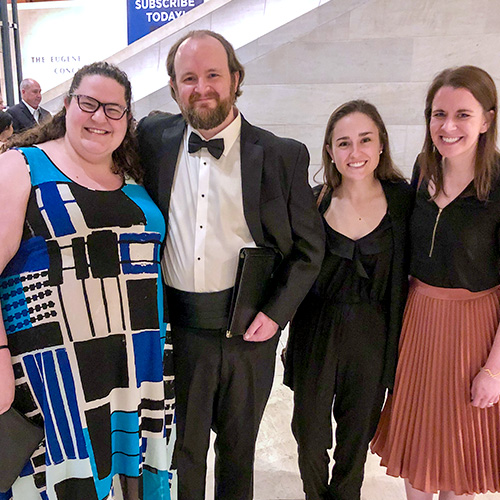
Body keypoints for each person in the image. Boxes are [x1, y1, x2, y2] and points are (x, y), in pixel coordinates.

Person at [137, 29, 324, 500]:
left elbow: (309, 250)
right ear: (174, 87)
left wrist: (276, 314)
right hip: (177, 332)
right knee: (182, 453)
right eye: (188, 78)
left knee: (238, 453)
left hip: (250, 331)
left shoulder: (282, 155)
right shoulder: (152, 140)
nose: (202, 87)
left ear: (236, 79)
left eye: (214, 75)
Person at [0, 61, 174, 500]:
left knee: (128, 479)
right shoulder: (22, 166)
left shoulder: (133, 178)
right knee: (65, 479)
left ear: (127, 120)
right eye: (89, 103)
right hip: (54, 371)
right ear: (67, 105)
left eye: (114, 109)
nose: (100, 117)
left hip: (138, 365)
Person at [372, 65, 500, 499]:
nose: (448, 126)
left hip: (474, 329)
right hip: (420, 320)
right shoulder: (424, 168)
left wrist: (494, 370)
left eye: (463, 114)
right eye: (438, 113)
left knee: (459, 454)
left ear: (487, 120)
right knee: (418, 444)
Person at [284, 100, 412, 500]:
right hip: (315, 332)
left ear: (380, 145)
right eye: (343, 143)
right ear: (330, 150)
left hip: (373, 336)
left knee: (356, 439)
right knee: (309, 434)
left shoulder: (404, 202)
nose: (354, 153)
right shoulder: (311, 202)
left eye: (364, 140)